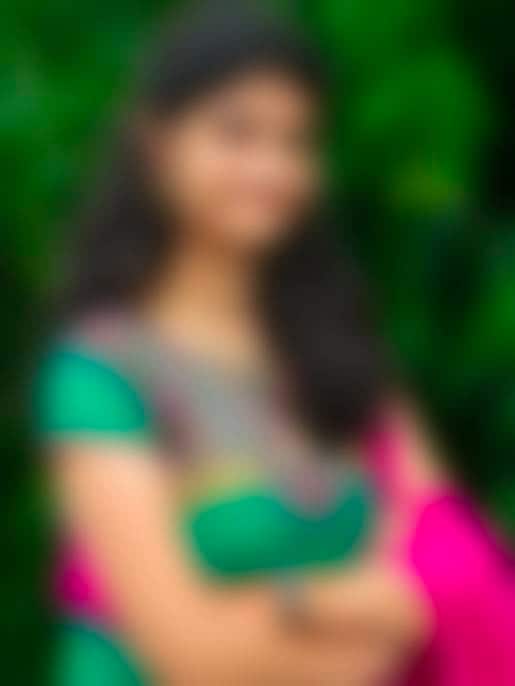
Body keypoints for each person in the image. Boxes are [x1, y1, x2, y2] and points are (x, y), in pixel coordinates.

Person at [34, 2, 515, 684]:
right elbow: (192, 655)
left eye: (295, 141)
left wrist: (294, 608)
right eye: (237, 133)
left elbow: (451, 562)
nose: (272, 168)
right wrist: (369, 612)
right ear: (155, 144)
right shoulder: (98, 374)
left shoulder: (339, 356)